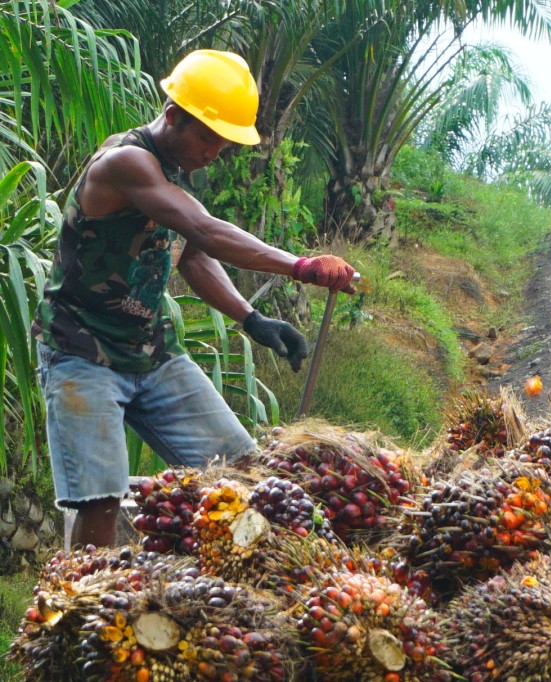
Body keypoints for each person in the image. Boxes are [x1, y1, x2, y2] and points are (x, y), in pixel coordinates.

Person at [32, 49, 357, 548]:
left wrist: (252, 319)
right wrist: (301, 266)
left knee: (243, 472)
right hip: (81, 351)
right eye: (207, 136)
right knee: (100, 502)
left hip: (152, 352)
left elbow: (192, 254)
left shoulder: (173, 171)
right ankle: (82, 592)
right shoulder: (126, 161)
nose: (214, 152)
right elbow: (204, 229)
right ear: (172, 116)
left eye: (223, 142)